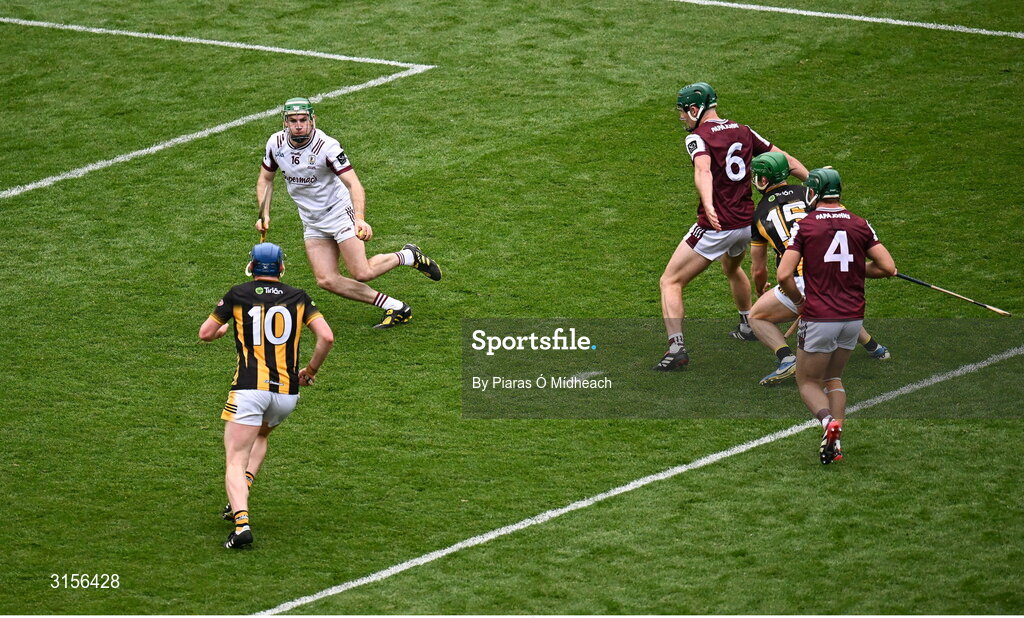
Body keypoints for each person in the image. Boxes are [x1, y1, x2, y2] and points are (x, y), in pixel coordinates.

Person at [655, 82, 808, 371]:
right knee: (731, 268)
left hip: (718, 226)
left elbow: (702, 169)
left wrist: (708, 202)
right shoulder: (743, 129)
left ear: (694, 109)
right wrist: (814, 184)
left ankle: (676, 347)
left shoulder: (698, 137)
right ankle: (746, 322)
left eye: (683, 112)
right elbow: (785, 159)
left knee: (670, 281)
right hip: (746, 223)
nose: (682, 118)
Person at [256, 97, 441, 329]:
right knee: (326, 280)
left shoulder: (326, 146)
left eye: (303, 119)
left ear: (313, 120)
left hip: (339, 214)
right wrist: (264, 213)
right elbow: (266, 178)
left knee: (362, 272)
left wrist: (359, 218)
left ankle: (408, 256)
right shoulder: (276, 143)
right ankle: (396, 307)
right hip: (312, 220)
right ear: (285, 122)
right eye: (293, 120)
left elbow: (354, 184)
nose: (298, 125)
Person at [198, 242, 335, 548]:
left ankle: (241, 525)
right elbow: (326, 336)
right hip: (287, 394)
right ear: (282, 268)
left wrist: (222, 330)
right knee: (261, 436)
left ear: (251, 267)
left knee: (234, 459)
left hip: (249, 390)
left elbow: (205, 332)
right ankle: (242, 491)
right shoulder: (300, 297)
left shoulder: (237, 294)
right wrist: (310, 371)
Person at [776, 168, 896, 464]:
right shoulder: (860, 224)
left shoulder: (806, 225)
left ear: (814, 192)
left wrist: (799, 301)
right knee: (834, 377)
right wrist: (858, 269)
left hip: (819, 317)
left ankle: (828, 421)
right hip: (853, 319)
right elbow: (888, 268)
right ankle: (836, 443)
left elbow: (783, 274)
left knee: (807, 382)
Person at [746, 153, 890, 387]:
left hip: (798, 279)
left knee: (756, 316)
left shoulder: (758, 215)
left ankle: (786, 358)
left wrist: (760, 287)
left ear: (763, 180)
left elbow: (758, 268)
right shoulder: (808, 193)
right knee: (835, 303)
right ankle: (874, 347)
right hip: (833, 267)